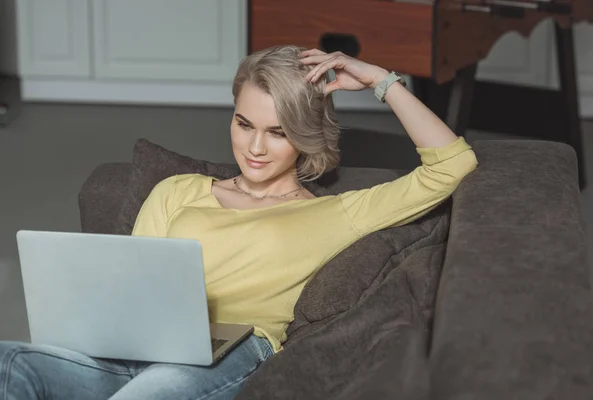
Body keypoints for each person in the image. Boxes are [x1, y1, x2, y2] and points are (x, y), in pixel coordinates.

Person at [0, 45, 478, 399]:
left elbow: (452, 166)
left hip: (235, 352)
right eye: (244, 124)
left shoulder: (336, 213)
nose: (254, 148)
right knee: (9, 363)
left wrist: (378, 79)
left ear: (306, 138)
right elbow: (132, 291)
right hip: (138, 352)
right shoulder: (178, 190)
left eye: (277, 133)